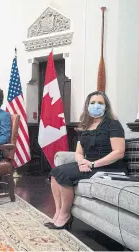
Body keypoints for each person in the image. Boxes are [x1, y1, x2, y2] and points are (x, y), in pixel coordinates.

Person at [47, 91, 127, 230]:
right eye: (93, 103)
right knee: (55, 172)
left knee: (64, 174)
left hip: (109, 167)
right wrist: (81, 162)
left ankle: (65, 215)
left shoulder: (113, 124)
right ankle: (59, 211)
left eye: (100, 103)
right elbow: (79, 153)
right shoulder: (85, 126)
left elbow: (119, 152)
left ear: (106, 107)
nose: (96, 106)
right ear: (87, 106)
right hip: (89, 164)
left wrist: (93, 164)